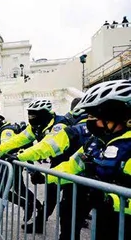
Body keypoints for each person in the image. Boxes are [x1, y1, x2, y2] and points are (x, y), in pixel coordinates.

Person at [36, 80, 131, 240]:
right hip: (106, 220)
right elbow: (72, 166)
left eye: (98, 117)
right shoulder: (96, 142)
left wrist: (110, 200)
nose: (92, 122)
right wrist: (45, 175)